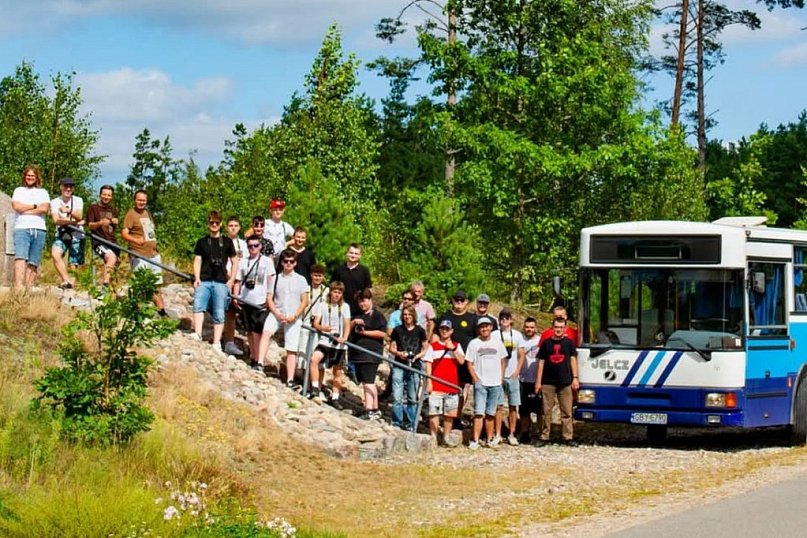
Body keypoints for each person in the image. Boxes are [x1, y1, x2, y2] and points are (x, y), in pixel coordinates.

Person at [192, 211, 237, 353]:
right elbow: (197, 260)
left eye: (217, 222)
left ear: (221, 224)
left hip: (220, 281)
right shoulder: (202, 242)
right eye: (212, 222)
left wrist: (231, 280)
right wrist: (197, 277)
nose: (214, 225)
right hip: (204, 279)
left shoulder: (228, 242)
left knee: (219, 311)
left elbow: (235, 262)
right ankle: (197, 333)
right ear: (208, 223)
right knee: (198, 305)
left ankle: (217, 342)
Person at [266, 249, 310, 389]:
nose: (288, 264)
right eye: (286, 261)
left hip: (294, 316)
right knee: (266, 333)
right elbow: (270, 298)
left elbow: (305, 300)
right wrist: (277, 312)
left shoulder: (301, 279)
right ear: (282, 262)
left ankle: (290, 379)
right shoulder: (276, 278)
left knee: (291, 348)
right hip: (278, 312)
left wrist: (295, 316)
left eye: (291, 261)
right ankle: (259, 362)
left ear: (295, 263)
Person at [232, 234, 276, 371]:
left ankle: (258, 359)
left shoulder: (267, 262)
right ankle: (253, 356)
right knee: (249, 331)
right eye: (250, 246)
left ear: (260, 246)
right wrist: (235, 296)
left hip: (260, 302)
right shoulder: (244, 262)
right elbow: (238, 281)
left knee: (258, 331)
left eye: (256, 245)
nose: (253, 248)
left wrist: (270, 298)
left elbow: (271, 280)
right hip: (246, 300)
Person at [121, 189, 167, 316]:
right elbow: (124, 233)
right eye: (139, 200)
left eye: (144, 200)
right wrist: (136, 240)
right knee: (139, 285)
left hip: (153, 253)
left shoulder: (147, 213)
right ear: (134, 200)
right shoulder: (131, 214)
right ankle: (136, 311)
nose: (141, 202)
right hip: (139, 254)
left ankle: (161, 311)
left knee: (156, 285)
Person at [435, 290, 478, 424]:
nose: (459, 302)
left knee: (463, 388)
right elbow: (435, 335)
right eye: (457, 299)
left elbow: (478, 339)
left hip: (464, 358)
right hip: (446, 358)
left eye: (462, 300)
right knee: (444, 386)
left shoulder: (472, 318)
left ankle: (457, 416)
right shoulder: (445, 316)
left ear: (466, 302)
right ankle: (443, 415)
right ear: (452, 301)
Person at [535, 317, 579, 446]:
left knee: (566, 411)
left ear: (565, 328)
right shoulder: (546, 343)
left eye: (561, 327)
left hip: (565, 382)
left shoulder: (569, 343)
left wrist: (575, 378)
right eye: (556, 327)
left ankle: (568, 437)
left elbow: (573, 360)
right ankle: (544, 436)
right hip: (547, 382)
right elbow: (541, 363)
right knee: (546, 411)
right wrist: (538, 382)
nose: (558, 330)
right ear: (552, 328)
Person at [331, 243, 372, 383]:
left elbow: (368, 291)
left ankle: (353, 369)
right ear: (347, 253)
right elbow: (333, 287)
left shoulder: (364, 271)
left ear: (360, 255)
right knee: (339, 335)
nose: (353, 255)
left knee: (354, 339)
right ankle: (336, 363)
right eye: (351, 253)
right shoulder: (339, 269)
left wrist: (366, 308)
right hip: (340, 308)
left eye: (356, 253)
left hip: (357, 310)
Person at [465, 317, 508, 449]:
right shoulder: (474, 343)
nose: (484, 329)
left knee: (491, 413)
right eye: (482, 326)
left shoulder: (498, 343)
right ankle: (475, 440)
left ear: (491, 327)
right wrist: (476, 379)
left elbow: (503, 360)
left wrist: (501, 377)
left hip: (495, 383)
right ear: (479, 328)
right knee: (479, 412)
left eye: (487, 326)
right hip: (481, 383)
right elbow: (469, 363)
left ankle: (489, 438)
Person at [309, 281, 351, 409]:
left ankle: (335, 397)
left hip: (339, 344)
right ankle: (315, 388)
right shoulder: (322, 305)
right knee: (314, 359)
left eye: (339, 293)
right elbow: (315, 323)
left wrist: (344, 337)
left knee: (337, 372)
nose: (337, 295)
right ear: (330, 292)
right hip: (325, 340)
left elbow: (347, 323)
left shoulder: (345, 307)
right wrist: (323, 328)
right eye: (335, 292)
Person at [423, 320, 465, 446]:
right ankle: (433, 437)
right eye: (442, 329)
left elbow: (462, 361)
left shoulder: (457, 345)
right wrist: (429, 382)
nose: (444, 331)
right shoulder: (433, 346)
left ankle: (446, 436)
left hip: (451, 385)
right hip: (437, 384)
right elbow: (428, 365)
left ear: (451, 331)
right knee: (434, 412)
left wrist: (454, 349)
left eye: (447, 329)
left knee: (449, 413)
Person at [349, 288, 387, 420]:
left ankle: (369, 409)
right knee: (367, 381)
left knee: (368, 381)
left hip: (371, 353)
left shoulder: (377, 316)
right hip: (358, 354)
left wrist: (365, 333)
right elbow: (347, 329)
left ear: (370, 300)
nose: (362, 304)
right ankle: (374, 408)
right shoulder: (357, 315)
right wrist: (354, 322)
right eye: (360, 302)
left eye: (364, 301)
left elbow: (383, 333)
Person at [389, 305, 428, 429]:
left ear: (414, 316)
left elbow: (425, 348)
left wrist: (417, 356)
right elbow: (391, 347)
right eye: (405, 314)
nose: (407, 317)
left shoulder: (420, 330)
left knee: (412, 397)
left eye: (409, 314)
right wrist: (399, 354)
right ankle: (396, 422)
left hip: (415, 366)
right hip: (399, 364)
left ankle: (411, 424)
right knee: (397, 396)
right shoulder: (397, 330)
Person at [11, 165, 50, 288]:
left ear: (36, 177)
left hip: (39, 228)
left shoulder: (43, 192)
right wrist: (34, 206)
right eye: (28, 175)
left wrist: (26, 209)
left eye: (32, 175)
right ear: (24, 176)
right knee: (20, 257)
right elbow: (16, 207)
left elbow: (44, 209)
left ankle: (28, 287)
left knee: (34, 259)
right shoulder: (18, 190)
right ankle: (18, 286)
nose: (30, 177)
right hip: (22, 228)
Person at [493, 308, 526, 446]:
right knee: (498, 406)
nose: (504, 320)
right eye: (502, 318)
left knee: (513, 406)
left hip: (512, 375)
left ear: (511, 320)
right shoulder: (494, 334)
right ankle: (498, 434)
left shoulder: (517, 335)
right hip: (497, 376)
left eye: (507, 318)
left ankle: (512, 434)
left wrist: (517, 370)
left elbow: (522, 354)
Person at [50, 177, 85, 289]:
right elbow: (56, 220)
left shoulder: (78, 200)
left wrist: (68, 212)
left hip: (77, 234)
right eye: (66, 186)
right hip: (62, 233)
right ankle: (66, 280)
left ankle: (75, 285)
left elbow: (79, 215)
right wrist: (74, 221)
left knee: (74, 263)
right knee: (55, 254)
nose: (68, 189)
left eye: (71, 187)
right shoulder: (54, 202)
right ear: (61, 187)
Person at [86, 184, 119, 291]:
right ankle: (104, 289)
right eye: (104, 194)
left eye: (109, 195)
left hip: (112, 242)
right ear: (100, 195)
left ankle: (111, 288)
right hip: (98, 241)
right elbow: (90, 225)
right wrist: (100, 223)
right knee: (111, 258)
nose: (106, 197)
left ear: (111, 197)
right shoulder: (93, 208)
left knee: (114, 263)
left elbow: (113, 230)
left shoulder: (113, 210)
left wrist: (115, 223)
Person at [222, 216, 247, 356]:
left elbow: (245, 262)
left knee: (232, 311)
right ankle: (218, 337)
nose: (233, 228)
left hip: (238, 281)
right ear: (226, 227)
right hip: (223, 278)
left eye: (235, 225)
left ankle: (229, 341)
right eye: (230, 225)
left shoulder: (243, 244)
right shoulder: (221, 242)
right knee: (220, 310)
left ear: (239, 228)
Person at [297, 264, 328, 361]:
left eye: (320, 276)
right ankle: (301, 372)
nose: (317, 278)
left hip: (320, 326)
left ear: (323, 277)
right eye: (315, 275)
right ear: (311, 275)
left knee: (315, 353)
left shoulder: (327, 291)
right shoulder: (305, 289)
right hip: (306, 322)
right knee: (302, 351)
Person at [518, 317, 542, 444]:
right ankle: (525, 432)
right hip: (523, 379)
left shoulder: (540, 341)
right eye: (527, 327)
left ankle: (540, 433)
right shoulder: (519, 340)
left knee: (539, 409)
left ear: (536, 328)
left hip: (537, 380)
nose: (529, 329)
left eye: (532, 327)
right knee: (524, 409)